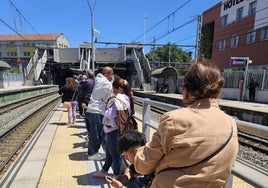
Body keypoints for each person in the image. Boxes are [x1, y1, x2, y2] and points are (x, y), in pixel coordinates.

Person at [133, 62, 239, 187]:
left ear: (185, 90)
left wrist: (138, 153)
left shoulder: (174, 119)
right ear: (217, 91)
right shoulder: (231, 123)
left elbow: (143, 166)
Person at [93, 77, 135, 178]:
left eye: (114, 88)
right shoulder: (127, 97)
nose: (113, 90)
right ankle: (104, 171)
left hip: (113, 130)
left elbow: (110, 114)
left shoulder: (117, 99)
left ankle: (117, 175)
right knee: (109, 152)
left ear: (119, 89)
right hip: (119, 129)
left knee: (115, 154)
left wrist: (104, 107)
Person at [86, 66, 115, 160]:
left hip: (95, 111)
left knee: (100, 133)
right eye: (112, 74)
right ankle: (92, 154)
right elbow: (114, 92)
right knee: (96, 134)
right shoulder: (105, 83)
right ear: (109, 75)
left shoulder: (100, 80)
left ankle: (94, 151)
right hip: (96, 111)